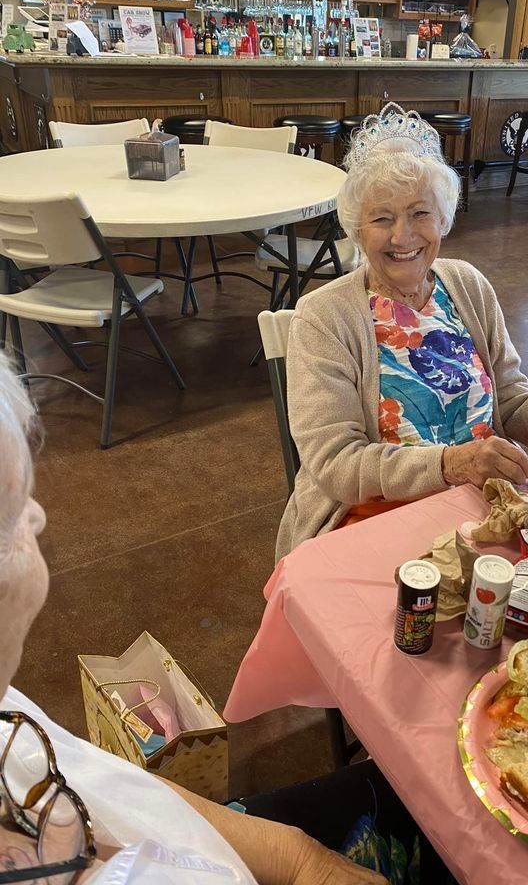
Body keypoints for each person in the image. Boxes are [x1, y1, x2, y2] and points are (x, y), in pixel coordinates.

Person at [0, 351, 386, 885]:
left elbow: (110, 788)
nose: (39, 515)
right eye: (16, 507)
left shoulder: (7, 710)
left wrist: (302, 858)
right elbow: (340, 463)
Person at [277, 102, 528, 560]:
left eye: (420, 213)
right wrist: (451, 464)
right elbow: (336, 464)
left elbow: (513, 402)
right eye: (382, 218)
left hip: (484, 506)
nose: (403, 237)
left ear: (442, 218)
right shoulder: (324, 317)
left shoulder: (466, 284)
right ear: (357, 230)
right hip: (375, 516)